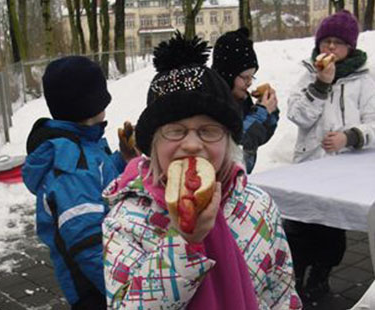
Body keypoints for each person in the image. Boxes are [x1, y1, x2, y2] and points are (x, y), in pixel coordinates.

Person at [101, 32, 301, 310]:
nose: (192, 144)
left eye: (209, 130)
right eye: (175, 131)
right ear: (154, 145)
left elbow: (281, 293)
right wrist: (184, 241)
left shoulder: (258, 206)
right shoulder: (126, 222)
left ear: (229, 140)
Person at [22, 56, 136, 309]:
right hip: (95, 288)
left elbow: (98, 183)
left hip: (105, 271)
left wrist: (121, 160)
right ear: (91, 104)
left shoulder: (84, 144)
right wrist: (125, 292)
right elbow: (87, 241)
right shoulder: (72, 163)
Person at [286, 10, 375, 302]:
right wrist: (321, 85)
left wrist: (350, 136)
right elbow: (297, 115)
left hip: (342, 174)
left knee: (331, 236)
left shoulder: (365, 81)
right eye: (326, 41)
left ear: (350, 46)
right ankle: (294, 281)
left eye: (338, 42)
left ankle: (320, 279)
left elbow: (373, 122)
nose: (330, 48)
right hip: (307, 167)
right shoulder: (307, 77)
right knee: (298, 230)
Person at [212, 27, 279, 174]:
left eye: (252, 76)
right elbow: (236, 144)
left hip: (240, 178)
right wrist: (260, 113)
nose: (249, 83)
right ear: (227, 75)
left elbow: (257, 138)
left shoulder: (241, 99)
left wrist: (270, 112)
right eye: (244, 77)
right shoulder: (214, 102)